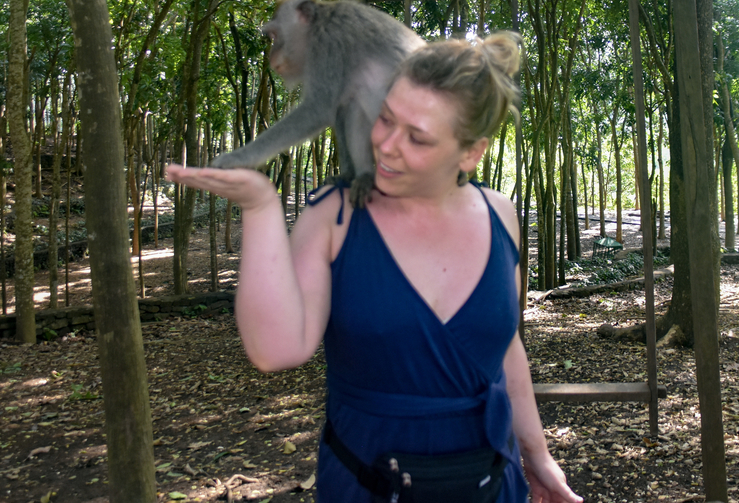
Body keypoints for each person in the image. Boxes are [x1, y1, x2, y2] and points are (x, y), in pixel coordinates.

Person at [167, 32, 581, 503]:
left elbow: (505, 349)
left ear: (471, 153)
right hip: (365, 482)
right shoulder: (335, 217)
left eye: (417, 138)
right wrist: (260, 208)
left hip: (490, 479)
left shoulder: (500, 214)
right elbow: (275, 350)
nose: (385, 145)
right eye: (385, 119)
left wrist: (538, 457)